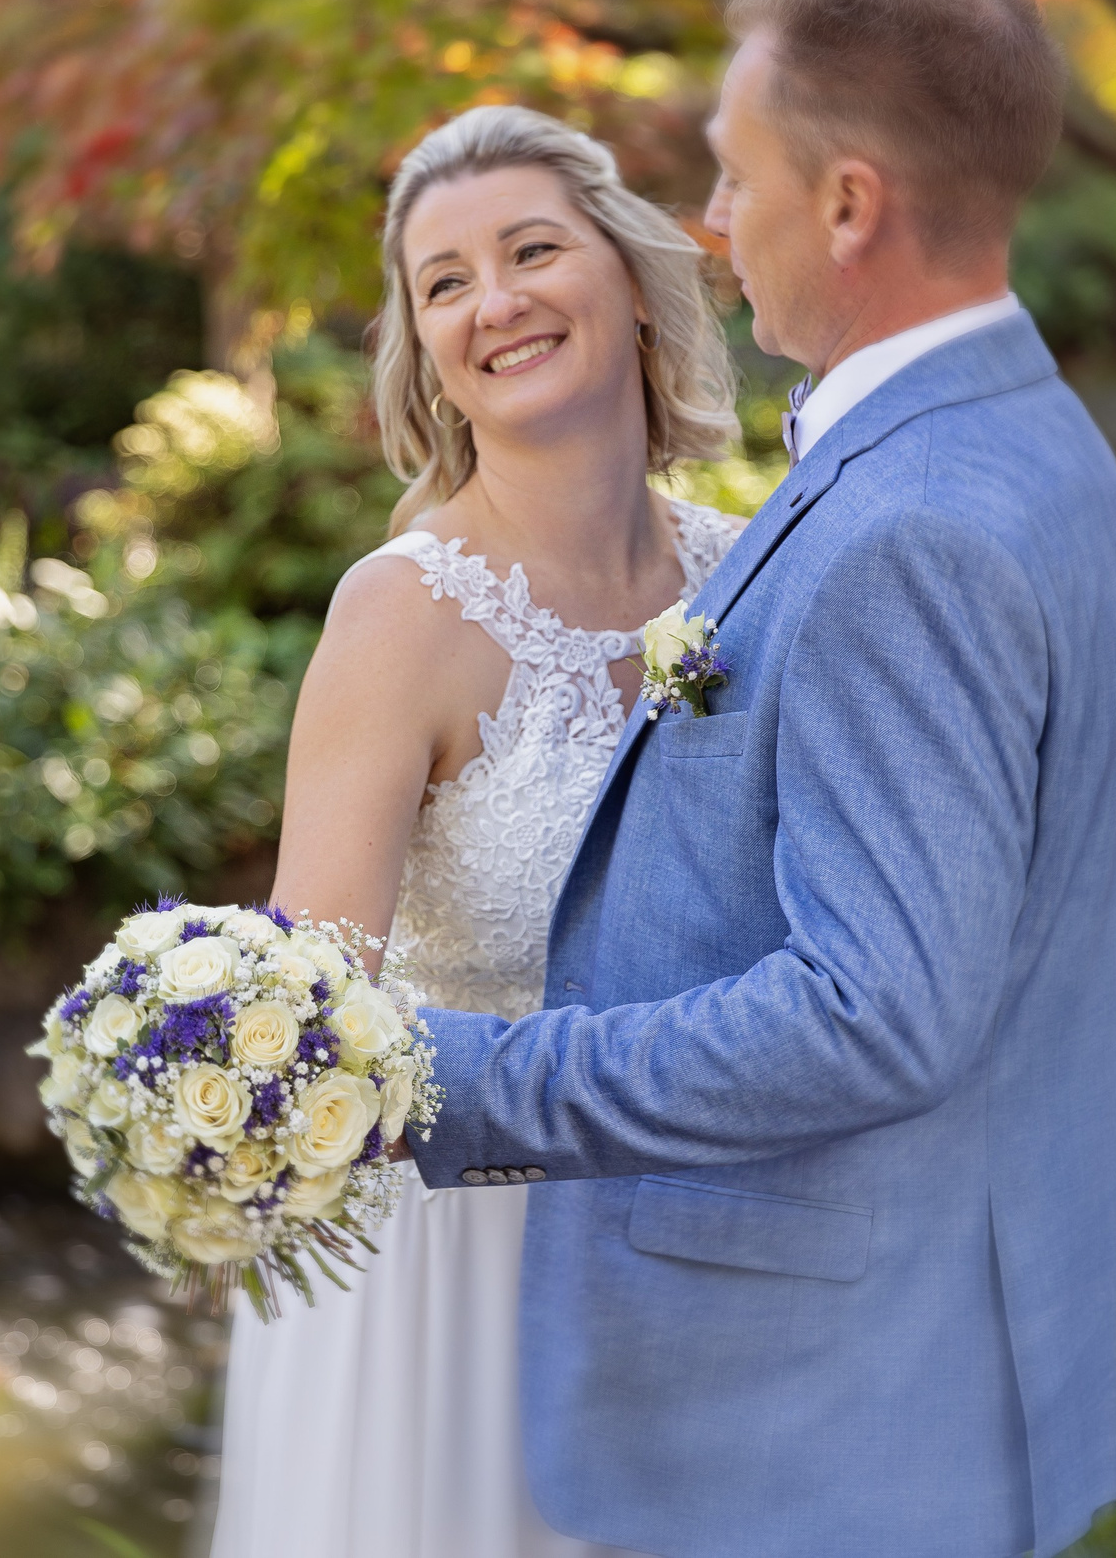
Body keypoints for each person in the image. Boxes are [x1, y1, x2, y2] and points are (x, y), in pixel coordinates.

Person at [405, 0, 1116, 1558]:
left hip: (824, 1425)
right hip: (945, 1365)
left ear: (850, 205)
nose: (709, 225)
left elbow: (876, 1015)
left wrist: (474, 1080)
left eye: (737, 181)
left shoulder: (912, 531)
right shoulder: (1040, 442)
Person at [209, 103, 745, 1558]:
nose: (493, 302)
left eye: (528, 251)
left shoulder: (745, 573)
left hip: (704, 1240)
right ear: (425, 347)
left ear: (631, 277)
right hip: (464, 1283)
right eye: (443, 282)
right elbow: (305, 1018)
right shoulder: (403, 616)